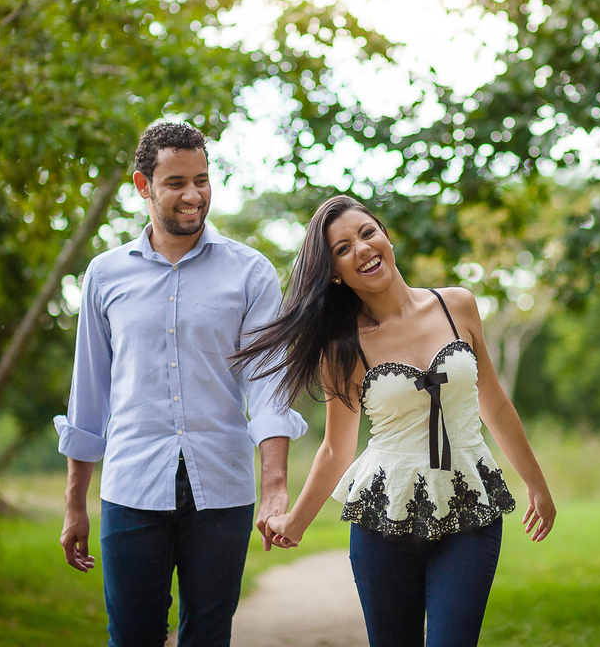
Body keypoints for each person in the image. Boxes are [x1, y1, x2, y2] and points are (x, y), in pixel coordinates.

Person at [233, 195, 556, 647]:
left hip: (470, 509)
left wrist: (536, 484)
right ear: (334, 272)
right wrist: (296, 522)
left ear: (386, 236)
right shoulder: (342, 347)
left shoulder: (457, 305)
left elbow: (495, 405)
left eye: (367, 233)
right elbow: (336, 449)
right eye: (343, 249)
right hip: (383, 520)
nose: (362, 249)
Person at [54, 121, 307, 647]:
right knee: (132, 636)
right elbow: (89, 395)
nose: (193, 195)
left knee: (209, 636)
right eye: (176, 183)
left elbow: (268, 387)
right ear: (143, 186)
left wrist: (275, 487)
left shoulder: (251, 272)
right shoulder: (104, 275)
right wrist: (75, 502)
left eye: (202, 180)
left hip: (222, 488)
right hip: (131, 487)